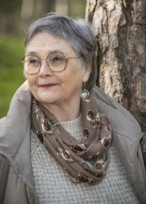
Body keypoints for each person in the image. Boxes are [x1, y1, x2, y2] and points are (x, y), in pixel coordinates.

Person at [0, 13, 146, 204]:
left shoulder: (125, 132)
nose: (43, 72)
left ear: (86, 68)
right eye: (33, 61)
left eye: (57, 59)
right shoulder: (6, 144)